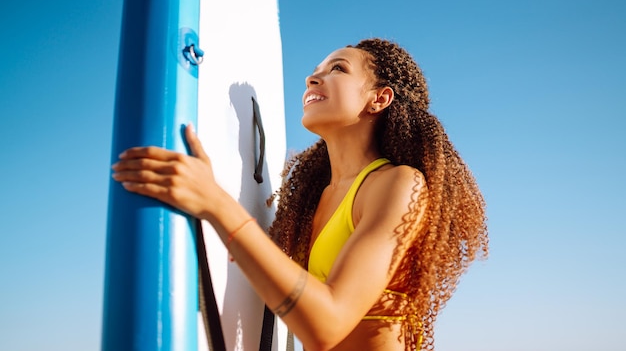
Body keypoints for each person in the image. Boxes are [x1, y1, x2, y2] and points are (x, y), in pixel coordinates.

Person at [112, 38, 488, 351]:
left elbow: (327, 323)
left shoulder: (398, 183)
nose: (312, 78)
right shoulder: (309, 203)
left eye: (337, 69)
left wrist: (214, 202)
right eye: (316, 71)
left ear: (379, 98)